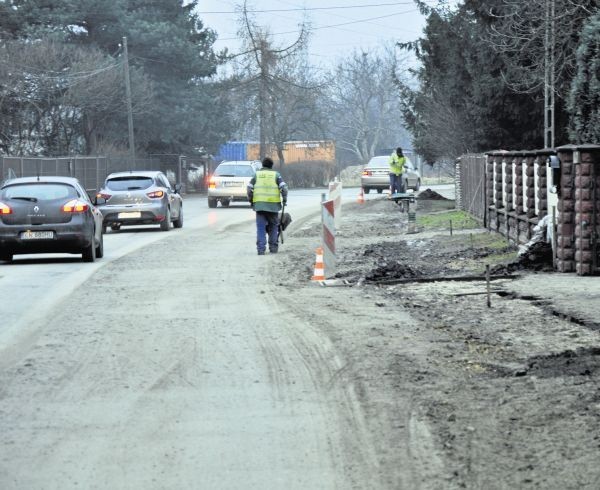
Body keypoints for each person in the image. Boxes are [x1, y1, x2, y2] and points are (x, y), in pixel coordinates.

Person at [247, 157, 288, 255]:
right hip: (273, 207)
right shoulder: (276, 175)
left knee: (260, 227)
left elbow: (249, 189)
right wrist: (284, 199)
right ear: (271, 166)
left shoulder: (256, 175)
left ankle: (261, 249)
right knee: (273, 226)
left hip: (260, 206)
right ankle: (273, 248)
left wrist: (251, 201)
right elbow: (284, 188)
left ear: (263, 165)